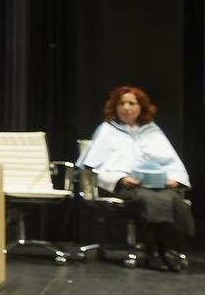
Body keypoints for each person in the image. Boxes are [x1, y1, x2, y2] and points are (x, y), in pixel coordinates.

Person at [80, 85, 192, 271]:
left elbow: (172, 162)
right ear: (115, 107)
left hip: (158, 185)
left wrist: (174, 179)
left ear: (141, 107)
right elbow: (92, 168)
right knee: (150, 200)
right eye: (122, 103)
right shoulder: (107, 130)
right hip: (125, 187)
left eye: (132, 103)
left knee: (174, 200)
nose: (126, 108)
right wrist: (121, 178)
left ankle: (168, 251)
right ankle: (153, 253)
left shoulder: (152, 131)